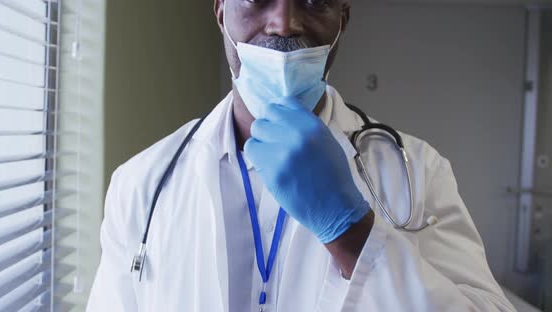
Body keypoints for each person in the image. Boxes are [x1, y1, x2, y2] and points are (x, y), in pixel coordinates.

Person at [87, 0, 516, 311]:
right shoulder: (142, 183)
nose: (284, 23)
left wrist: (354, 236)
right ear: (220, 10)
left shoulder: (419, 172)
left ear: (341, 22)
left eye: (314, 0)